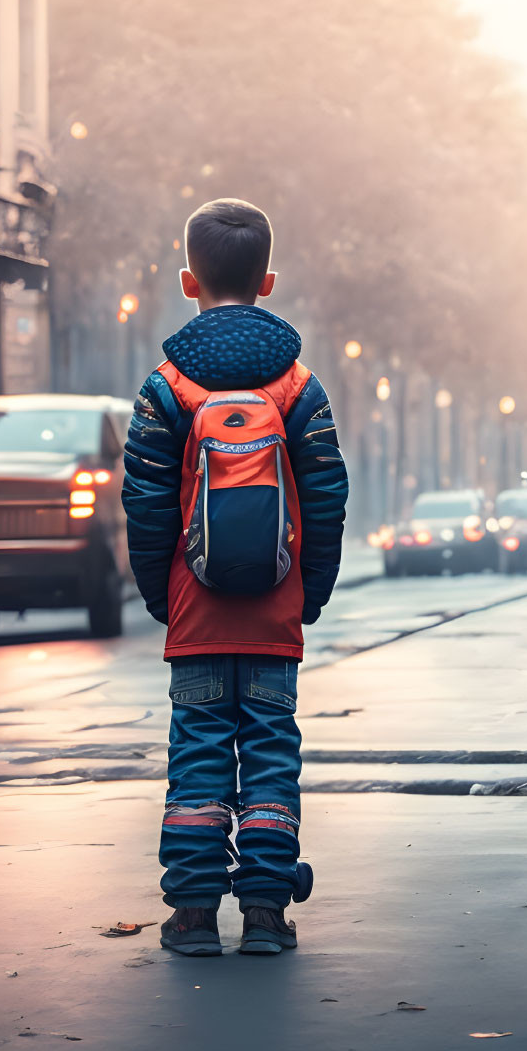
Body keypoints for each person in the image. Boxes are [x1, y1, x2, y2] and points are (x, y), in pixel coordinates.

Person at [121, 199, 348, 958]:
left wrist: (162, 594)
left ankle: (190, 916)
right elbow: (326, 496)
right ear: (269, 280)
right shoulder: (299, 389)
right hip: (274, 616)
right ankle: (264, 914)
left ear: (188, 281)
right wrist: (308, 590)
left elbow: (146, 504)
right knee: (271, 754)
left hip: (196, 615)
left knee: (198, 752)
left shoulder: (165, 389)